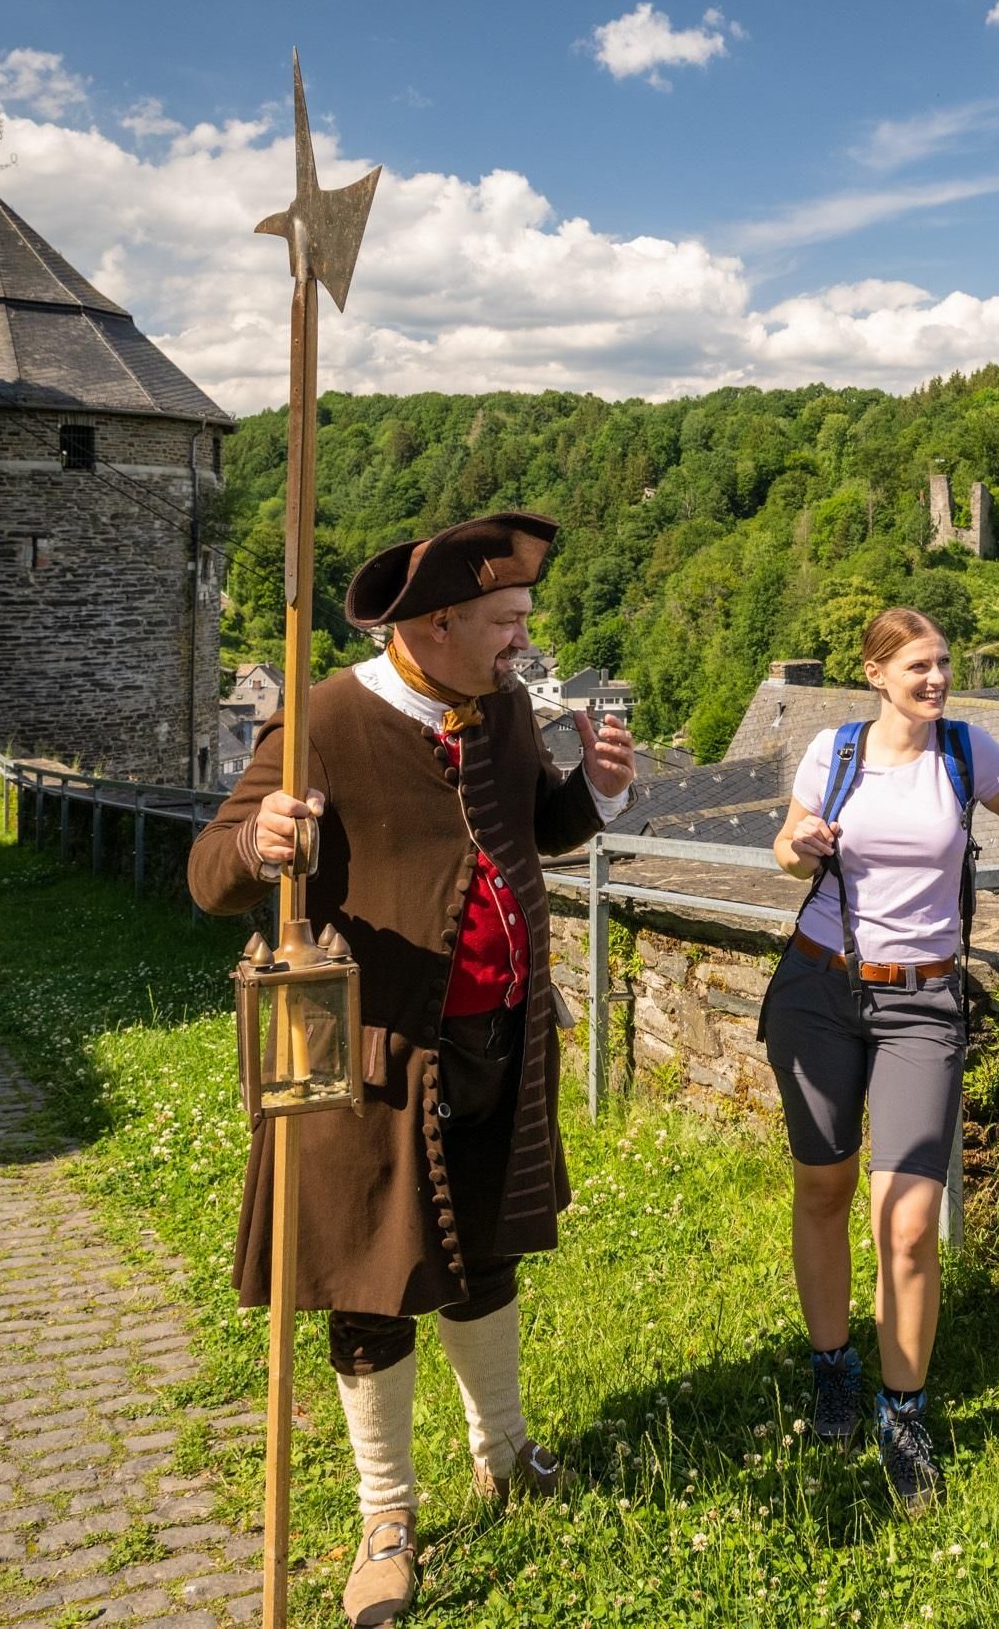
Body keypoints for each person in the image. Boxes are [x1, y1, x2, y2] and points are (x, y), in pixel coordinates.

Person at [188, 512, 636, 1627]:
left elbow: (536, 828)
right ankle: (386, 1514)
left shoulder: (500, 709)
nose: (522, 643)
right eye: (505, 622)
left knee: (485, 1254)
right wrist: (262, 842)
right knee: (372, 1285)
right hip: (372, 1052)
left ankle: (503, 1449)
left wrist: (599, 790)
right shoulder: (325, 720)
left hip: (501, 1036)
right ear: (436, 622)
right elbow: (209, 875)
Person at [762, 608, 999, 1513]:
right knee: (824, 1185)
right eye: (918, 666)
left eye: (944, 664)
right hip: (819, 985)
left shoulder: (968, 752)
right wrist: (797, 843)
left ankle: (905, 1409)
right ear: (876, 673)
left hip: (924, 997)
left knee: (911, 1218)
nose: (936, 679)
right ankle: (833, 1365)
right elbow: (783, 845)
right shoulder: (831, 751)